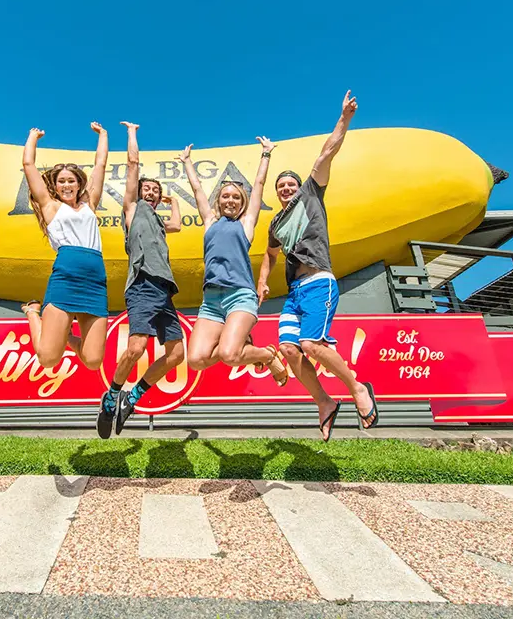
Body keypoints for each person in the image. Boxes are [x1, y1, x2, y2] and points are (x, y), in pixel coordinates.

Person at [257, 90, 378, 442]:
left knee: (312, 345)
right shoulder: (276, 224)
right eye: (281, 186)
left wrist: (345, 118)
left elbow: (327, 151)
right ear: (276, 194)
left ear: (300, 187)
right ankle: (324, 402)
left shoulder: (311, 193)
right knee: (291, 351)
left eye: (290, 184)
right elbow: (269, 253)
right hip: (295, 291)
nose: (286, 188)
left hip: (319, 282)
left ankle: (357, 387)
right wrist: (263, 281)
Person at [96, 121, 185, 438]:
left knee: (176, 354)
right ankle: (110, 398)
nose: (151, 192)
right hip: (143, 283)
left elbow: (176, 224)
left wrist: (170, 198)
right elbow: (133, 164)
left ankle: (133, 398)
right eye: (148, 189)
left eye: (155, 191)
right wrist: (131, 132)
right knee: (136, 348)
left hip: (164, 289)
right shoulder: (132, 209)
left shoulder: (159, 222)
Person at [178, 137, 287, 383]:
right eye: (225, 196)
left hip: (240, 295)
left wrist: (266, 154)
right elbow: (197, 191)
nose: (230, 200)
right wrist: (187, 162)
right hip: (211, 302)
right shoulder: (209, 223)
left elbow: (258, 184)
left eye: (236, 198)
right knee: (196, 360)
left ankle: (266, 356)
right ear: (219, 200)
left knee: (229, 354)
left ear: (242, 203)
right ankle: (249, 351)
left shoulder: (246, 225)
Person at [20, 122, 110, 371]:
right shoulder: (50, 206)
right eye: (61, 182)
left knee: (93, 361)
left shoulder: (89, 203)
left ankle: (66, 337)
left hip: (94, 281)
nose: (67, 185)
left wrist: (103, 135)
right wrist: (33, 137)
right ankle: (31, 312)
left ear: (79, 183)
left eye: (71, 180)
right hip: (66, 278)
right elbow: (29, 166)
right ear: (55, 186)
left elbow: (100, 165)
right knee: (48, 359)